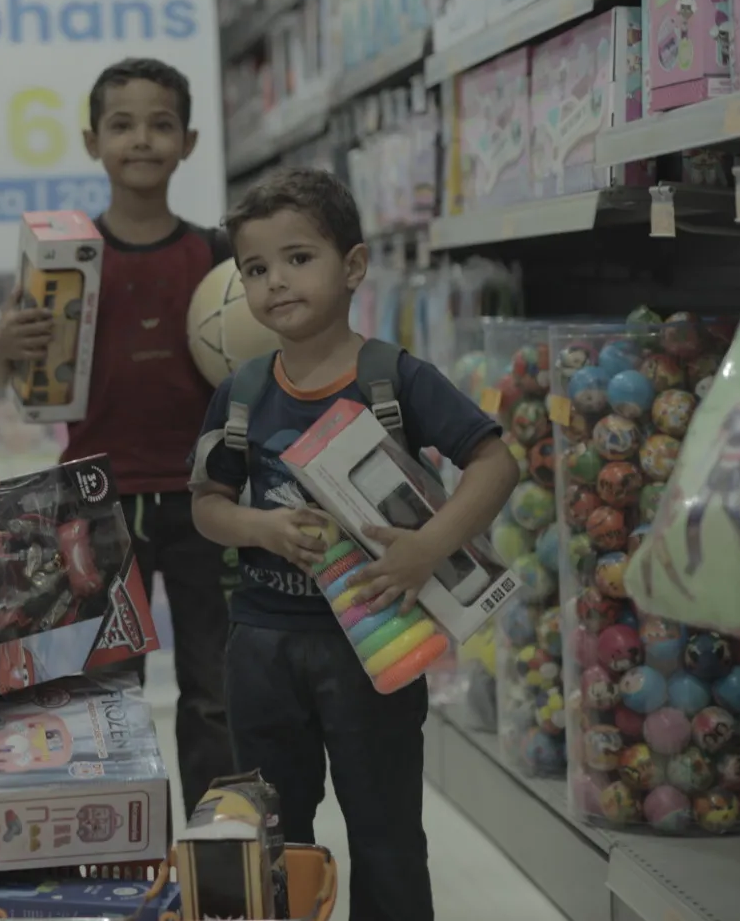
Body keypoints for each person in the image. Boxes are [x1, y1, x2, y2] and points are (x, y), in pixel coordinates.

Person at [189, 168, 519, 921]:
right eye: (256, 268)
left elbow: (495, 462)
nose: (276, 282)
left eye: (299, 258)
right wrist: (257, 526)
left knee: (388, 835)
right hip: (263, 645)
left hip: (376, 646)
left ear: (355, 266)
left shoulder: (394, 379)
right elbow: (206, 505)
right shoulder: (240, 392)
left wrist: (427, 546)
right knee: (271, 837)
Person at [0, 57, 234, 814]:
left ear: (188, 141)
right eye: (122, 125)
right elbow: (5, 372)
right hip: (94, 502)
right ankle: (120, 854)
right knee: (105, 695)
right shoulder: (64, 259)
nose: (142, 140)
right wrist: (6, 342)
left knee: (217, 694)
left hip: (205, 499)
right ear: (94, 141)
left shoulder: (217, 258)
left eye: (161, 125)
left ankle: (218, 847)